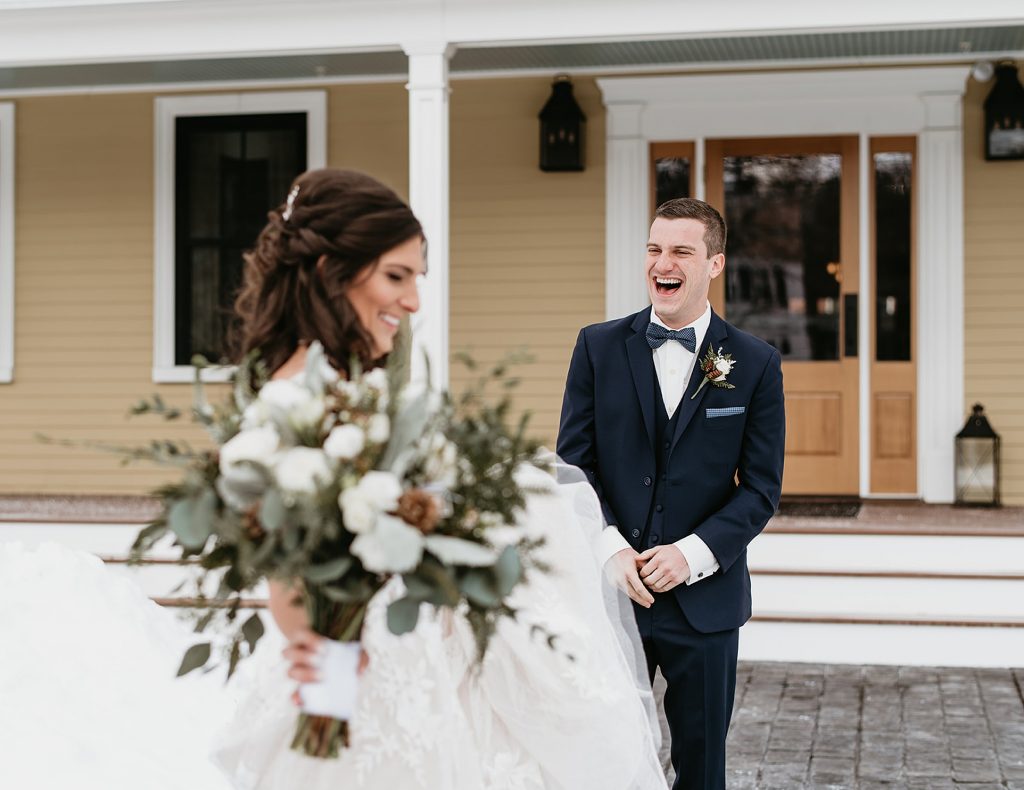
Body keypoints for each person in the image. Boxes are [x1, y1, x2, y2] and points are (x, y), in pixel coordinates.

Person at [213, 168, 669, 790]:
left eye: (417, 279)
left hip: (416, 665)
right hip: (355, 682)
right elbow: (291, 590)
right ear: (329, 272)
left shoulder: (354, 388)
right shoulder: (286, 407)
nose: (414, 301)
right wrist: (333, 706)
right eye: (396, 277)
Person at [557, 197, 786, 790]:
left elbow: (761, 490)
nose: (665, 262)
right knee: (599, 760)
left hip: (706, 606)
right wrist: (609, 550)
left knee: (702, 768)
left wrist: (692, 554)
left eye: (683, 251)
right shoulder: (597, 347)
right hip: (610, 599)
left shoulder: (755, 364)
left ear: (714, 264)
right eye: (656, 249)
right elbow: (571, 468)